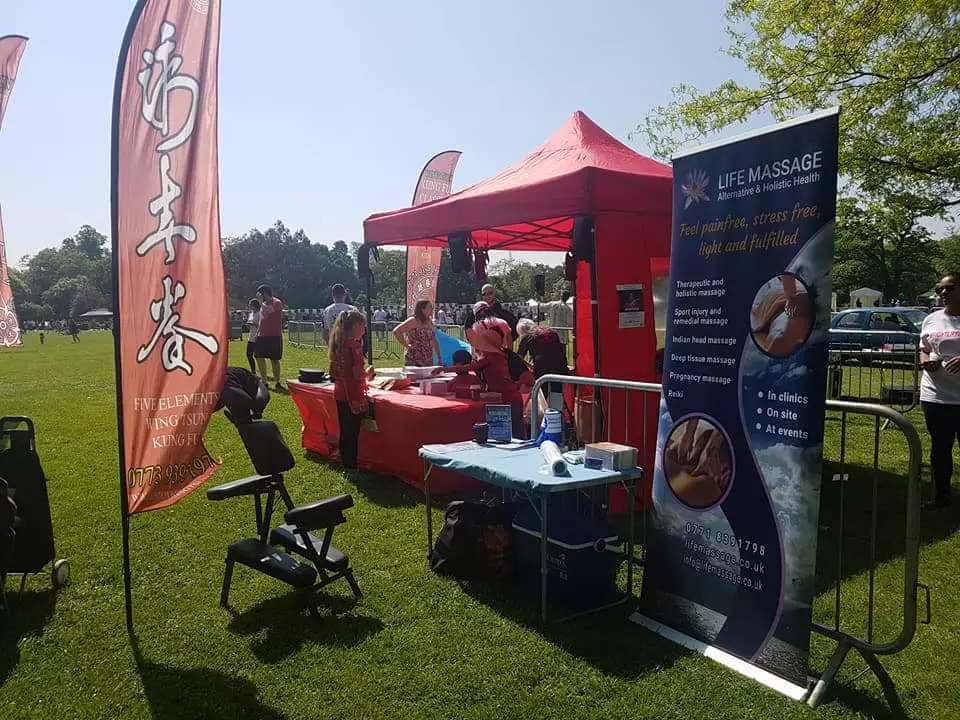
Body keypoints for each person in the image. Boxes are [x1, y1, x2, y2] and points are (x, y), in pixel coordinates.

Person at [434, 314, 524, 437]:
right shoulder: (494, 356)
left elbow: (470, 367)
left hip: (508, 399)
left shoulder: (492, 357)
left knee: (514, 433)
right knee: (508, 433)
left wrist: (445, 368)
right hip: (503, 398)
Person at [919, 274, 960, 509]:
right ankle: (941, 496)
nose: (943, 293)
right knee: (940, 449)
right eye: (939, 289)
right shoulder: (931, 319)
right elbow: (924, 347)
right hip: (935, 395)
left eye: (950, 288)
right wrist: (926, 361)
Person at [329, 309, 375, 472]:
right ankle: (352, 467)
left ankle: (346, 464)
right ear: (356, 326)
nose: (365, 330)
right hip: (352, 394)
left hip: (340, 392)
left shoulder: (339, 343)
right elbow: (356, 373)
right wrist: (367, 373)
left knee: (345, 430)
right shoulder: (354, 346)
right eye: (363, 326)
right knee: (352, 433)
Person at [517, 319, 569, 410]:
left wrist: (529, 365)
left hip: (542, 367)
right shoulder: (551, 332)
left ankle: (538, 415)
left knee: (540, 390)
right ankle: (556, 414)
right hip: (559, 364)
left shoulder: (527, 338)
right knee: (556, 390)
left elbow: (519, 358)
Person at [393, 299, 441, 367]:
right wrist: (406, 345)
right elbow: (396, 331)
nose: (432, 309)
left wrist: (439, 357)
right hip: (414, 358)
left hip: (427, 358)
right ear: (422, 309)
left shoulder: (430, 322)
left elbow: (433, 340)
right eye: (429, 307)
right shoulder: (413, 320)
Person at [254, 284, 285, 392]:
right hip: (262, 336)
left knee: (274, 360)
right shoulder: (263, 304)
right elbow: (261, 320)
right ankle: (264, 380)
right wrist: (257, 333)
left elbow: (268, 311)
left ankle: (277, 381)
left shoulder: (277, 302)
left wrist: (260, 302)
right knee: (258, 357)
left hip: (274, 336)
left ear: (265, 294)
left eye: (260, 295)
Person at [245, 298, 261, 374]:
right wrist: (248, 325)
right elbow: (249, 323)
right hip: (251, 336)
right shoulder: (251, 314)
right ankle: (253, 370)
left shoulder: (259, 313)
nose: (249, 306)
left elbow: (261, 325)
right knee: (248, 354)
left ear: (254, 305)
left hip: (258, 336)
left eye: (250, 305)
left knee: (258, 356)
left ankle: (261, 370)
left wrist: (253, 324)